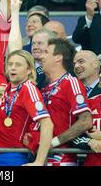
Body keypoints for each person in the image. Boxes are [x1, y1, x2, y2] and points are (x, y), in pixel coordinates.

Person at [0, 50, 53, 166]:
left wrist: (39, 162)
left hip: (13, 156)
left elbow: (47, 123)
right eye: (10, 64)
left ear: (29, 70)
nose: (12, 68)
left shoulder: (28, 89)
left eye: (18, 65)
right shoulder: (8, 89)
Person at [39, 38, 93, 166]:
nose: (41, 56)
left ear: (58, 57)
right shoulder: (45, 88)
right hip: (42, 156)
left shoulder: (70, 82)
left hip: (62, 159)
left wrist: (54, 142)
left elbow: (86, 121)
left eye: (46, 52)